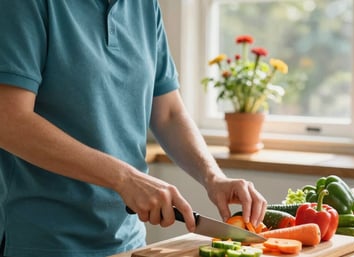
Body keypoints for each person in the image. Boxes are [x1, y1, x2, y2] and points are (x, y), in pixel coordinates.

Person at [0, 1, 267, 256]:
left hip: (129, 242)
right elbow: (8, 121)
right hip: (41, 241)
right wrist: (125, 178)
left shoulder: (145, 5)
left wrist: (214, 178)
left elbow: (169, 113)